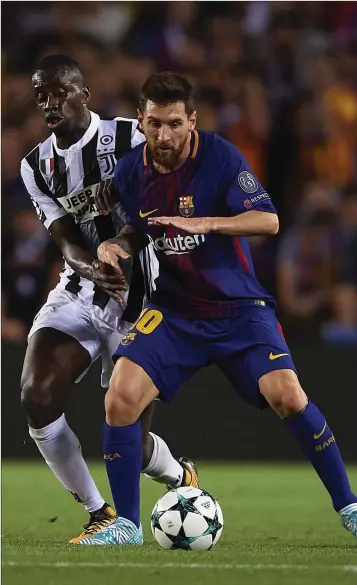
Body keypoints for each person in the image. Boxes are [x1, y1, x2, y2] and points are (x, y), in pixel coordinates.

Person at [81, 72, 357, 545]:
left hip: (239, 307)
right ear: (142, 121)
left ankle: (350, 508)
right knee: (119, 398)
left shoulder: (221, 156)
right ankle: (126, 525)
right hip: (175, 309)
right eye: (153, 124)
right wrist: (115, 244)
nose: (162, 135)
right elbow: (143, 230)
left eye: (173, 124)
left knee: (288, 396)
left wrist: (205, 221)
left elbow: (267, 220)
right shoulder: (130, 171)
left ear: (192, 120)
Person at [20, 57, 199, 545]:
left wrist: (121, 244)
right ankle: (101, 513)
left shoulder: (131, 137)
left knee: (132, 445)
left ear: (84, 92)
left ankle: (179, 477)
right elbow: (63, 237)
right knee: (37, 395)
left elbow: (167, 198)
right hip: (81, 291)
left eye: (58, 92)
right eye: (40, 95)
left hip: (147, 299)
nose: (48, 103)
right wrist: (87, 265)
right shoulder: (36, 165)